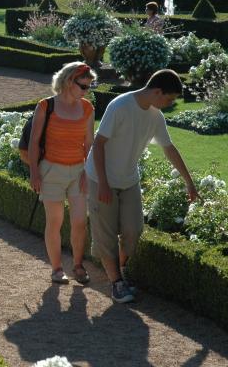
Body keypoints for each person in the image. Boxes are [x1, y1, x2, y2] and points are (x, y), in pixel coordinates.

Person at [85, 69, 198, 303]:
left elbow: (169, 148)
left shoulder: (155, 115)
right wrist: (103, 183)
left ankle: (120, 271)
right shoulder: (119, 106)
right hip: (100, 178)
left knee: (133, 230)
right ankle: (117, 283)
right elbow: (98, 144)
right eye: (168, 99)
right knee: (105, 235)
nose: (168, 104)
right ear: (157, 91)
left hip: (128, 179)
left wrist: (189, 181)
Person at [28, 62, 96, 285]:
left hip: (78, 171)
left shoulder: (87, 108)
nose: (87, 91)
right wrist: (34, 173)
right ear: (68, 82)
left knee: (79, 222)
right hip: (51, 171)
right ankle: (57, 269)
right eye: (84, 86)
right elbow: (34, 142)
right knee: (55, 221)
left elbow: (89, 144)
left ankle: (77, 265)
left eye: (89, 86)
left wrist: (88, 171)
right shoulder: (46, 106)